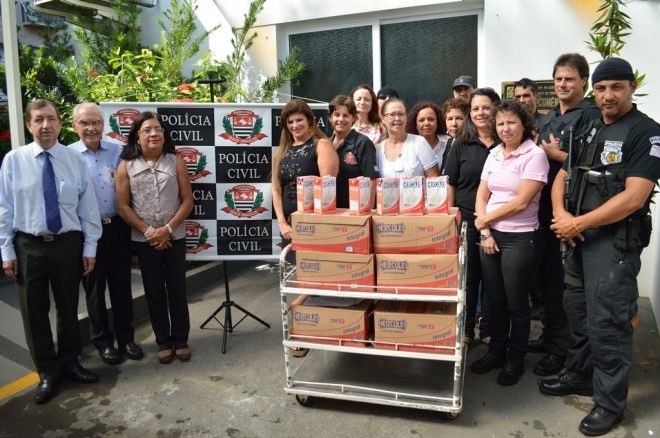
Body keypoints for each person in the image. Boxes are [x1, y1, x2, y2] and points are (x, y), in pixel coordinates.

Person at [542, 57, 660, 437]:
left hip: (612, 245)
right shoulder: (589, 124)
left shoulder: (647, 133)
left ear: (632, 87)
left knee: (608, 322)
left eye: (617, 87)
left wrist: (578, 223)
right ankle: (580, 374)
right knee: (577, 310)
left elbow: (634, 197)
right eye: (601, 88)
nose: (608, 95)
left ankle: (610, 404)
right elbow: (564, 174)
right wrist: (561, 214)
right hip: (577, 238)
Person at [0, 99, 102, 404]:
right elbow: (5, 208)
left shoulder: (75, 161)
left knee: (69, 307)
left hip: (67, 245)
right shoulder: (14, 161)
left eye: (51, 119)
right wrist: (6, 251)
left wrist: (90, 246)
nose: (46, 125)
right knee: (34, 312)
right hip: (28, 246)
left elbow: (88, 207)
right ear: (29, 125)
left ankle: (71, 362)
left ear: (60, 124)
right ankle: (47, 371)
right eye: (39, 119)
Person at [528, 53, 602, 378]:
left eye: (569, 79)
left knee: (565, 286)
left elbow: (597, 162)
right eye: (558, 79)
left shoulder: (592, 117)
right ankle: (550, 336)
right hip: (542, 210)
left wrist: (559, 155)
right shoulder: (546, 119)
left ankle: (562, 350)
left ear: (583, 81)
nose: (562, 84)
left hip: (572, 215)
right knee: (545, 281)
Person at [471, 99, 548, 386]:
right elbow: (482, 195)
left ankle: (516, 359)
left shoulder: (535, 155)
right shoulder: (494, 154)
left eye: (511, 122)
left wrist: (484, 220)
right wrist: (486, 231)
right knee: (496, 300)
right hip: (490, 236)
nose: (506, 128)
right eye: (500, 123)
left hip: (521, 238)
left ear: (524, 125)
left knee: (517, 302)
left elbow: (521, 202)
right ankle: (497, 352)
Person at [116, 111, 193, 365]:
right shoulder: (126, 165)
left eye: (158, 129)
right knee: (154, 291)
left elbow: (188, 201)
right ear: (137, 136)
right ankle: (163, 342)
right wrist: (150, 232)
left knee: (178, 290)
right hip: (145, 241)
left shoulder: (176, 162)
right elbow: (122, 206)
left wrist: (167, 229)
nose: (153, 134)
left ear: (164, 134)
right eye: (147, 130)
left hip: (174, 237)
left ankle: (180, 339)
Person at [69, 103, 143, 365]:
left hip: (118, 228)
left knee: (122, 287)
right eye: (84, 123)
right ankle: (103, 343)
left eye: (96, 122)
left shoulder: (118, 151)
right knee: (94, 291)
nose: (91, 128)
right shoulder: (67, 155)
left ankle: (126, 339)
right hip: (86, 233)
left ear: (103, 124)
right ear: (74, 126)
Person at [272, 99, 338, 357]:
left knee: (313, 277)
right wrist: (282, 222)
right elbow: (276, 191)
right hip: (289, 226)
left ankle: (299, 322)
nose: (295, 125)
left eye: (299, 119)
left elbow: (327, 186)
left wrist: (310, 223)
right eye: (290, 122)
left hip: (315, 224)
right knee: (301, 277)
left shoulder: (321, 145)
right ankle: (303, 325)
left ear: (310, 121)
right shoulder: (283, 151)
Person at [443, 87, 501, 346]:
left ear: (496, 109)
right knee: (468, 277)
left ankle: (488, 327)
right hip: (467, 219)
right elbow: (450, 182)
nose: (480, 113)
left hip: (499, 221)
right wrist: (451, 218)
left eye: (486, 107)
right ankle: (466, 329)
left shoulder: (506, 141)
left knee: (492, 279)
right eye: (475, 108)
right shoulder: (461, 143)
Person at [329, 95, 379, 209]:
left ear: (354, 118)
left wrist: (368, 212)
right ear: (330, 118)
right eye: (337, 115)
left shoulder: (363, 143)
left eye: (346, 115)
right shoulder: (325, 144)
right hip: (329, 209)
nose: (341, 119)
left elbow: (371, 180)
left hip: (355, 211)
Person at [375, 97, 439, 178]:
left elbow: (434, 179)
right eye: (392, 114)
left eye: (401, 114)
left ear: (406, 117)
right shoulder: (377, 150)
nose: (397, 118)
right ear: (382, 118)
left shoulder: (419, 143)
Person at [405, 101, 451, 170]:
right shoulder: (408, 145)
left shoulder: (449, 141)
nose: (426, 123)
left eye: (431, 119)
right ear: (415, 124)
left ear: (438, 123)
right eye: (421, 120)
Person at [440, 97, 469, 172]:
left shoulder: (471, 146)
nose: (454, 124)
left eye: (459, 118)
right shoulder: (447, 143)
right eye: (449, 119)